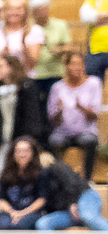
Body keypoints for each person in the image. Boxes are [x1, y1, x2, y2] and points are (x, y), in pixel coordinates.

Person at [0, 51, 50, 174]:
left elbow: (32, 115)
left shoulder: (26, 87)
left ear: (11, 68)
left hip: (21, 135)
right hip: (2, 137)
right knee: (0, 171)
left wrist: (29, 137)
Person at [46, 50, 100, 181]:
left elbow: (95, 115)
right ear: (67, 66)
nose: (77, 67)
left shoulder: (93, 83)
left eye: (80, 64)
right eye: (74, 64)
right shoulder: (57, 87)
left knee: (90, 140)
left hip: (86, 130)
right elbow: (53, 121)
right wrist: (59, 111)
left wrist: (82, 108)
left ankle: (88, 179)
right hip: (63, 131)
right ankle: (60, 180)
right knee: (54, 141)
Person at [39, 146, 108, 230]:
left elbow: (71, 184)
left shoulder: (57, 168)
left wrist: (72, 203)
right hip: (68, 211)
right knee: (43, 223)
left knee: (88, 217)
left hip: (84, 196)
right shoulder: (40, 180)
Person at [0, 135, 50, 229]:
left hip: (31, 211)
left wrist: (22, 213)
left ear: (32, 153)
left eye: (26, 151)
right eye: (18, 151)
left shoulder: (41, 173)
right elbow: (1, 199)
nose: (22, 154)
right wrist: (12, 212)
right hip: (9, 212)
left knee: (19, 225)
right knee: (5, 225)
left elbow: (42, 199)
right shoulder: (6, 172)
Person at [29, 0, 73, 101]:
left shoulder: (60, 25)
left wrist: (59, 50)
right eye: (38, 9)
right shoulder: (29, 27)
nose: (42, 12)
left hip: (55, 72)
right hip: (35, 73)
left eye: (44, 8)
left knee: (53, 104)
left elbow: (68, 47)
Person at [0, 0, 45, 69]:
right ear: (4, 11)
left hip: (26, 78)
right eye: (10, 9)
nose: (14, 12)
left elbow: (33, 63)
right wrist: (1, 54)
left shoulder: (34, 30)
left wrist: (23, 45)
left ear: (26, 11)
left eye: (19, 9)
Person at [80, 0, 108, 80]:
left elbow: (93, 16)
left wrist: (99, 17)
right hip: (96, 49)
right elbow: (85, 16)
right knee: (92, 85)